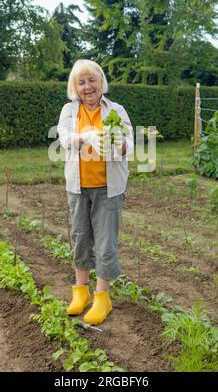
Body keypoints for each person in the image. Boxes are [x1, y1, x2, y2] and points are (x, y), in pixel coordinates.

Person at [57, 59, 133, 325]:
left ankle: (102, 297)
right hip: (77, 187)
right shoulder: (69, 110)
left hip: (108, 188)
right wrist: (85, 138)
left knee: (105, 242)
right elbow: (65, 139)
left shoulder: (117, 110)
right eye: (81, 82)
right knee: (80, 238)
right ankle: (80, 294)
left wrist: (118, 142)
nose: (87, 87)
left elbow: (130, 146)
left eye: (92, 80)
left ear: (101, 81)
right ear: (75, 87)